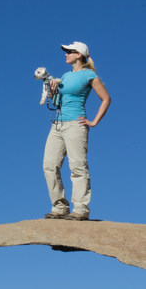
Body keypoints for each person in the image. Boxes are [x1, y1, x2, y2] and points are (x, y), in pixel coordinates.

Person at [43, 41, 111, 221]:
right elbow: (58, 100)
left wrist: (94, 121)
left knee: (77, 166)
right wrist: (52, 91)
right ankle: (59, 207)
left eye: (69, 52)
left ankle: (80, 209)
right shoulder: (65, 76)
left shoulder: (89, 75)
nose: (65, 54)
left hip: (76, 124)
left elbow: (106, 99)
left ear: (79, 54)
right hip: (57, 124)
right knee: (49, 165)